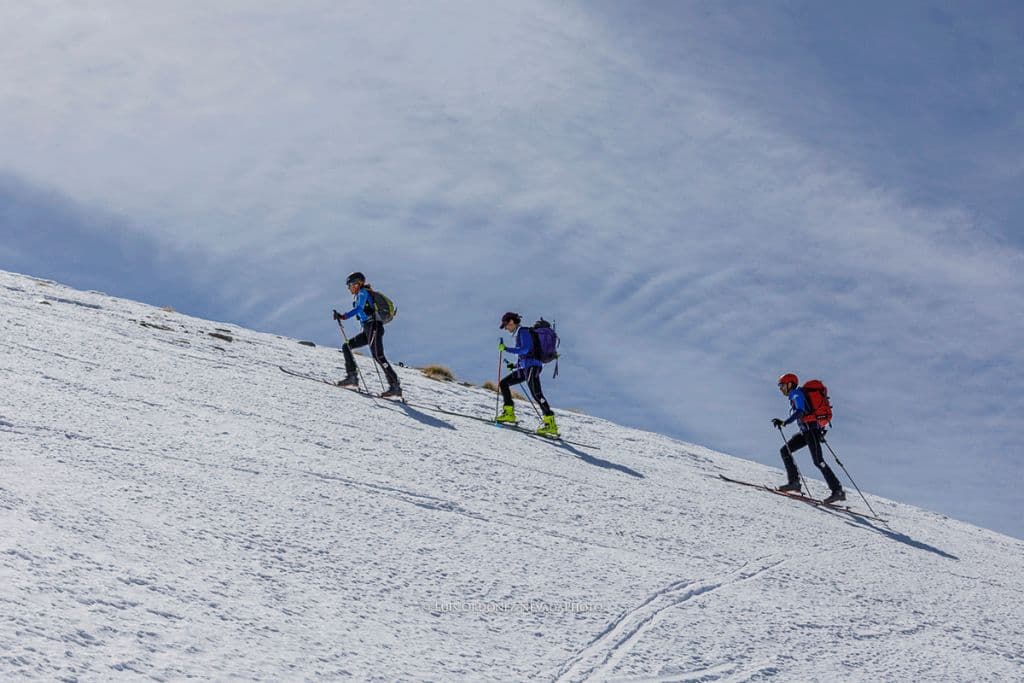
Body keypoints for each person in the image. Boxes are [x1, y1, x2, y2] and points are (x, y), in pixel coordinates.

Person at [771, 373, 845, 504]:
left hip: (811, 431)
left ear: (790, 384)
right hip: (807, 432)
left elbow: (800, 411)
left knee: (818, 461)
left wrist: (785, 422)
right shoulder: (796, 395)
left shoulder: (795, 394)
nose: (780, 388)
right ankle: (794, 482)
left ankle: (837, 490)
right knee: (785, 450)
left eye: (782, 385)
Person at [332, 272, 401, 398]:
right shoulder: (360, 294)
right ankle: (352, 377)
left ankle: (395, 386)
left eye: (350, 285)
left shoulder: (363, 293)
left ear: (357, 283)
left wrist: (343, 316)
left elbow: (359, 308)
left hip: (374, 326)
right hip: (368, 329)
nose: (349, 288)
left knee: (378, 356)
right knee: (346, 346)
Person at [496, 312, 558, 437]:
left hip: (532, 367)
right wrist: (515, 366)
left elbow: (525, 350)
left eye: (506, 325)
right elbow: (526, 355)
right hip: (526, 368)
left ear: (511, 322)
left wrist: (506, 348)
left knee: (536, 394)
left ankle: (550, 423)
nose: (506, 328)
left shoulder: (523, 331)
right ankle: (509, 413)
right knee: (504, 383)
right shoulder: (521, 333)